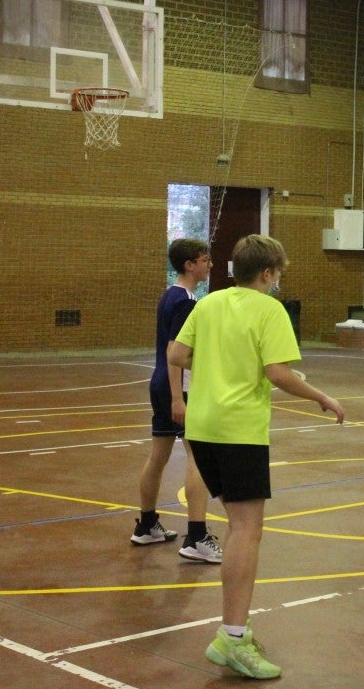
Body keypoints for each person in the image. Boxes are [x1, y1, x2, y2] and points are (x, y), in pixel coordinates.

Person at [168, 234, 345, 680]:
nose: (278, 281)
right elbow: (278, 373)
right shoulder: (270, 310)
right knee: (246, 530)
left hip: (202, 428)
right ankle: (231, 637)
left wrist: (221, 364)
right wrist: (320, 396)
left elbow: (177, 354)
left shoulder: (208, 303)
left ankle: (235, 632)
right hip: (238, 431)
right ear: (267, 273)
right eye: (278, 273)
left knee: (236, 525)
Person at [131, 239, 222, 563]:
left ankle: (147, 525)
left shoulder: (172, 295)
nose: (209, 265)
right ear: (189, 265)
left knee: (158, 455)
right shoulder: (184, 301)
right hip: (176, 388)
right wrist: (177, 399)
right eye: (204, 260)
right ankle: (196, 537)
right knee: (197, 457)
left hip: (159, 384)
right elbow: (175, 354)